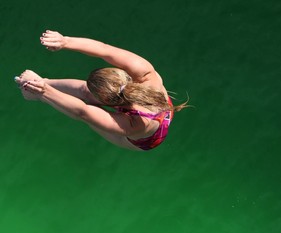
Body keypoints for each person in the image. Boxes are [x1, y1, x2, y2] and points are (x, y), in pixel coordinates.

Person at [15, 30, 187, 151]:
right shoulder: (144, 73)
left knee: (92, 116)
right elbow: (104, 49)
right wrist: (65, 41)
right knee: (85, 92)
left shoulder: (134, 126)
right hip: (154, 106)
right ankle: (43, 82)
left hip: (146, 138)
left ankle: (38, 89)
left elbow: (82, 112)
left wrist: (43, 93)